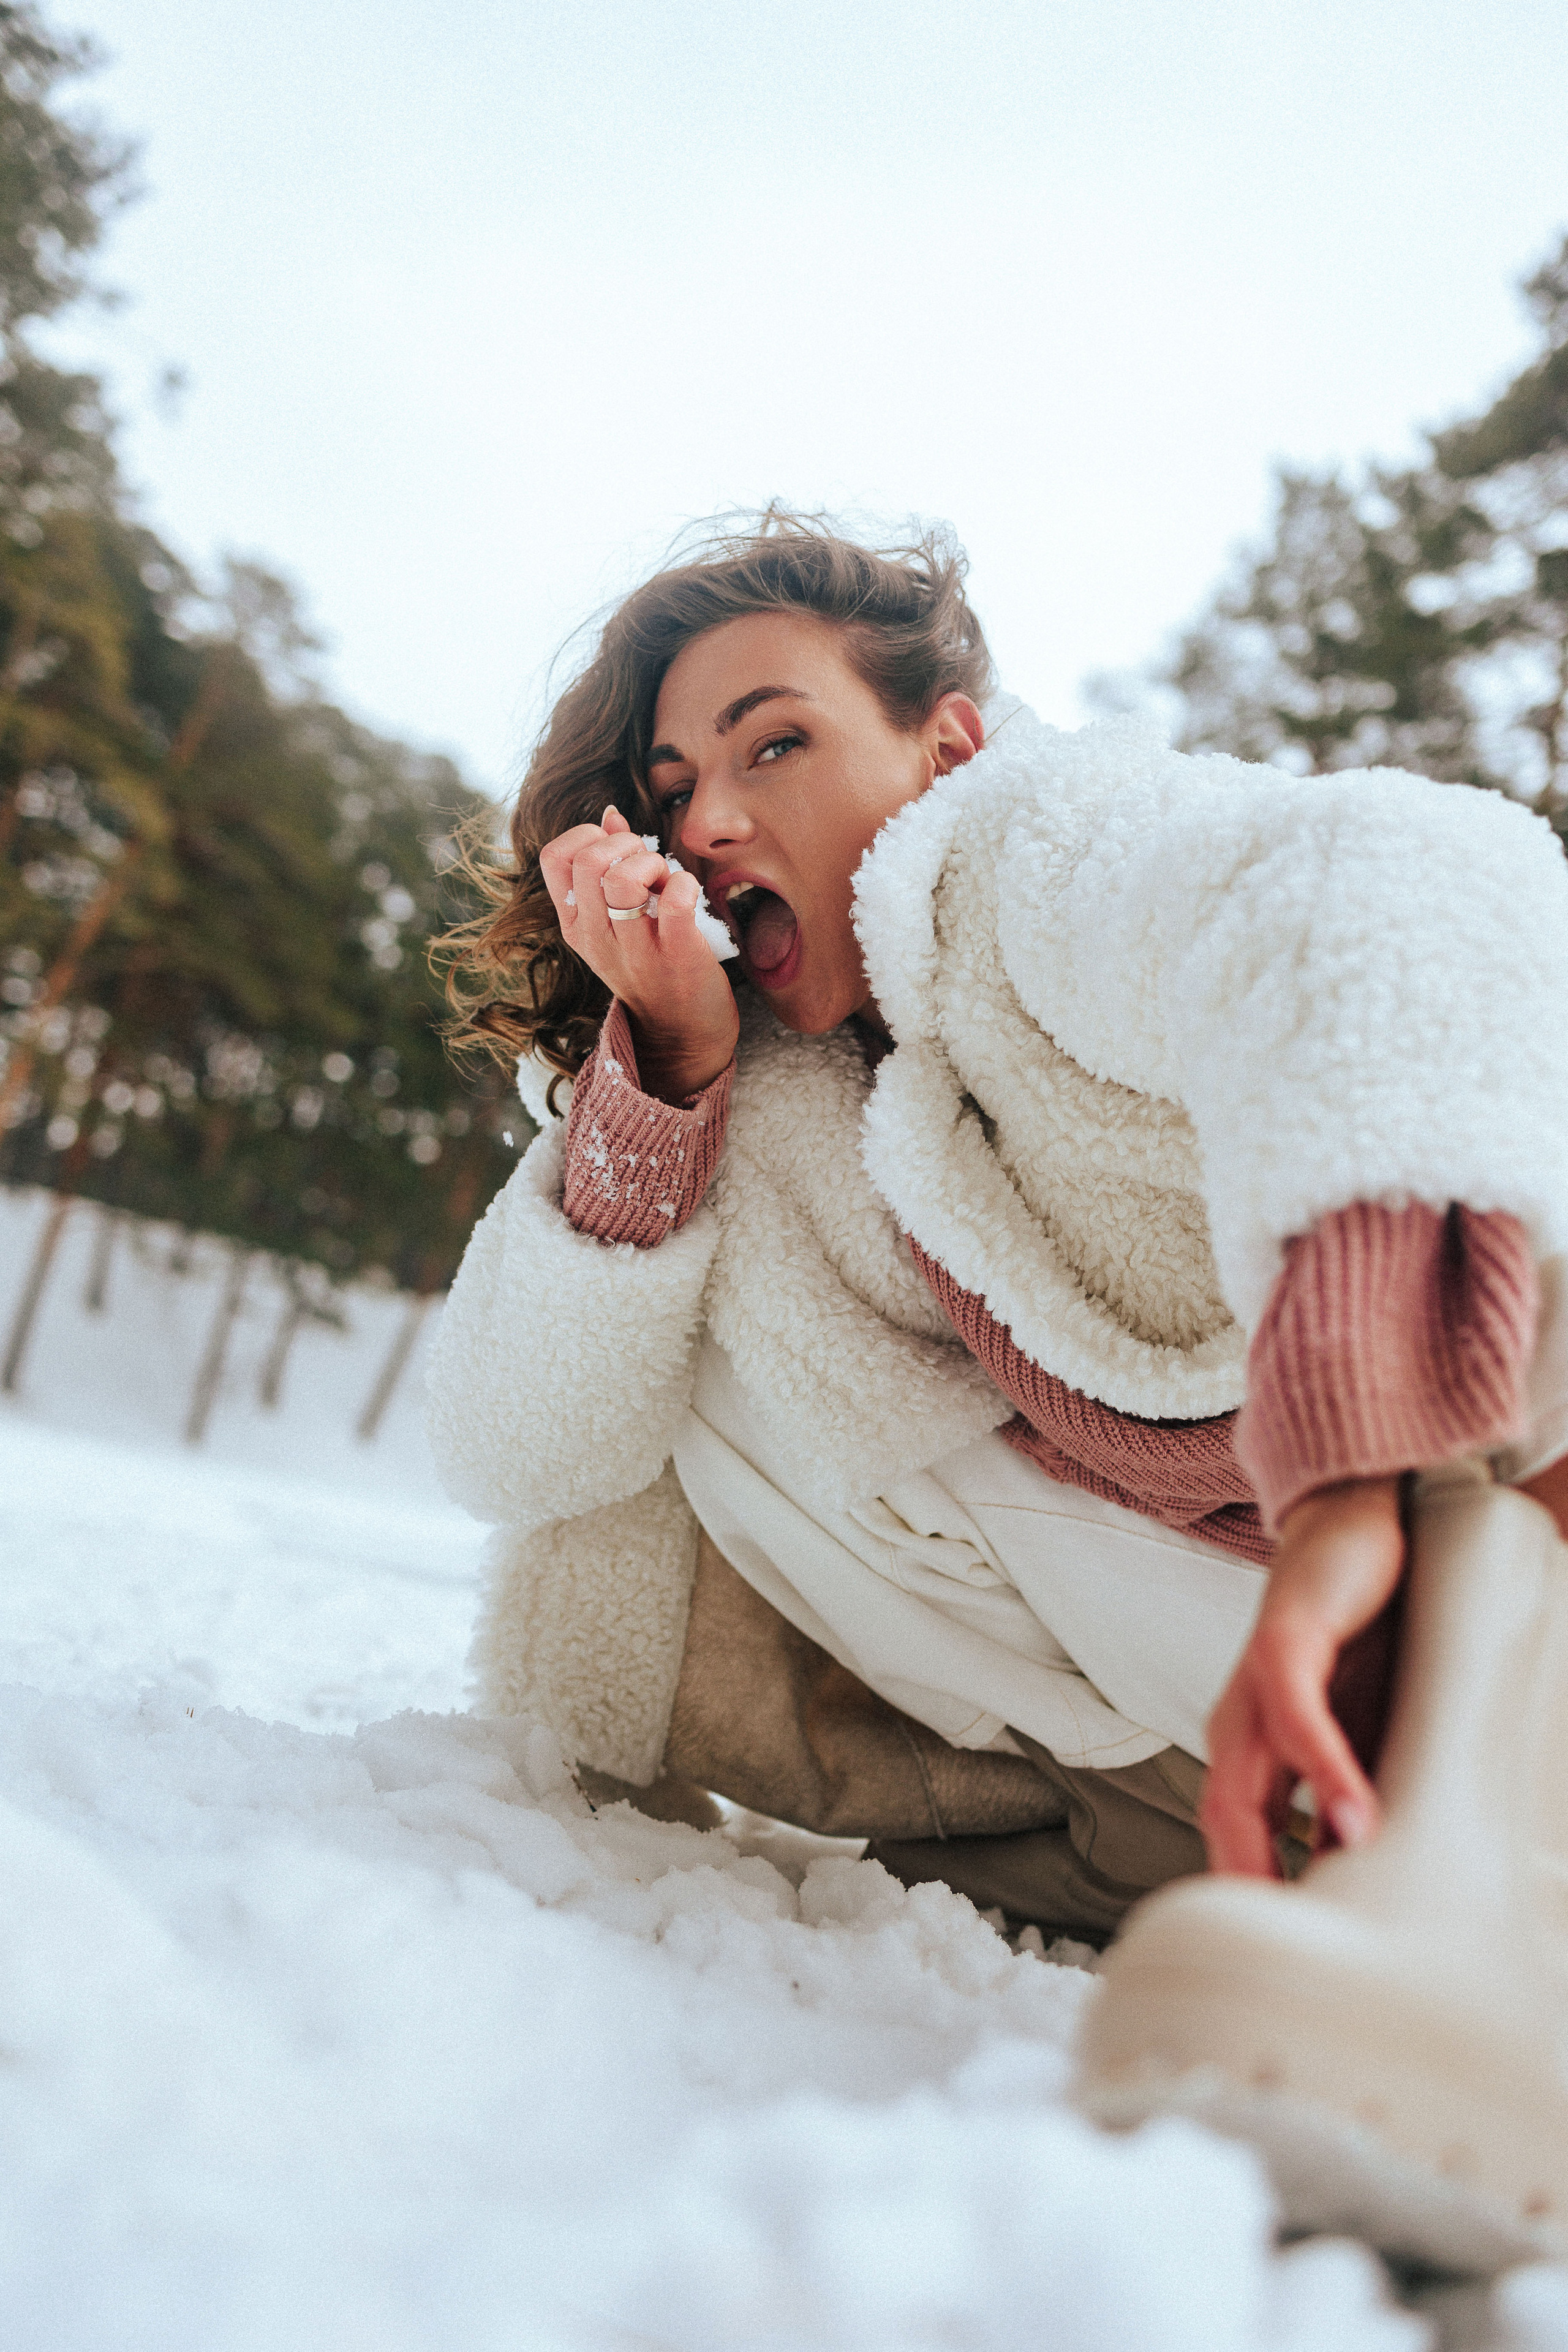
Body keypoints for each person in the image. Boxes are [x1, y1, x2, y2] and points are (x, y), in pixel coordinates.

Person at [428, 511, 1568, 1947]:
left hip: (1481, 1510)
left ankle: (1452, 1863)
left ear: (946, 752)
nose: (707, 824)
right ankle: (1295, 1878)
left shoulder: (1041, 851)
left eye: (772, 743)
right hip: (1214, 1674)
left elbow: (1403, 887)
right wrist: (663, 1071)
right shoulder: (796, 1102)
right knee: (690, 1340)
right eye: (673, 793)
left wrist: (1347, 1480)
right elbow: (524, 1452)